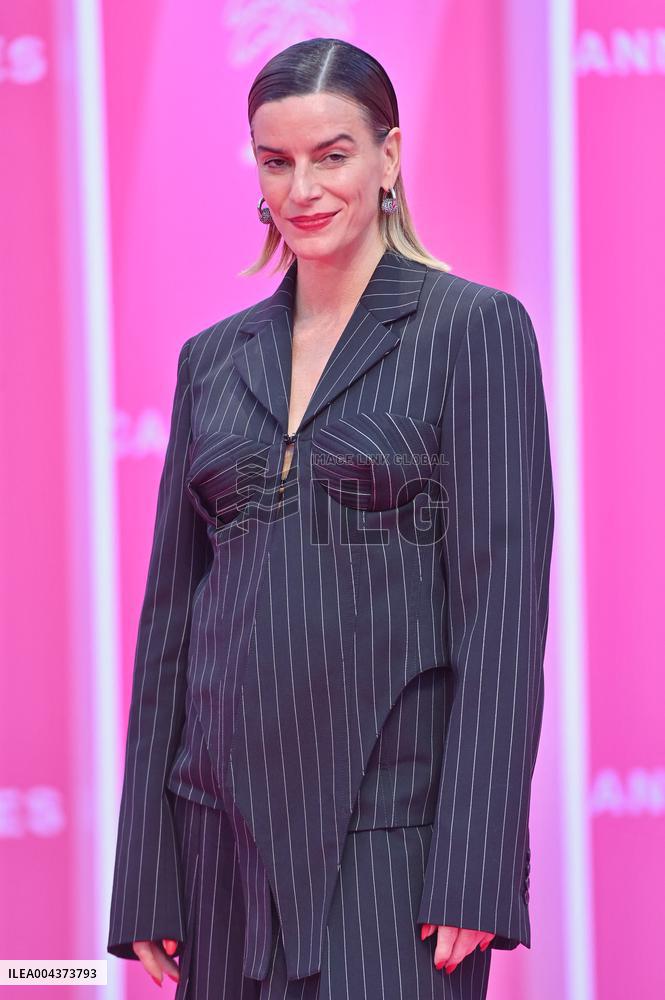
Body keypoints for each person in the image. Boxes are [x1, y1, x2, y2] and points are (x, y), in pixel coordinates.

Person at [107, 36, 554, 1000]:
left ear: (388, 157)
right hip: (217, 852)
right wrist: (146, 875)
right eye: (277, 161)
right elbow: (168, 632)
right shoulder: (210, 361)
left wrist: (473, 863)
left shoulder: (472, 331)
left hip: (393, 850)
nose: (302, 186)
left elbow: (502, 615)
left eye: (332, 154)